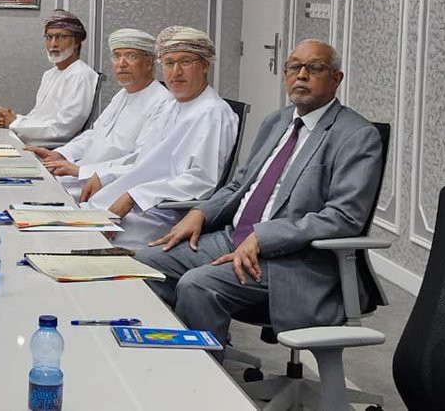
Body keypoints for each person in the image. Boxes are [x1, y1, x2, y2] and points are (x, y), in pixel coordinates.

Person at [140, 39, 384, 348]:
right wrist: (200, 212)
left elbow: (344, 217)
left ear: (336, 78)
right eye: (294, 67)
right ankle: (170, 355)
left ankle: (201, 372)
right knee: (144, 262)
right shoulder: (277, 121)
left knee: (198, 285)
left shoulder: (357, 135)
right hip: (233, 237)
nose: (302, 75)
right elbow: (239, 185)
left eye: (315, 68)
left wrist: (263, 236)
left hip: (292, 260)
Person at [77, 27, 238, 249]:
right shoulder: (172, 106)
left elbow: (201, 181)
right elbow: (143, 160)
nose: (176, 72)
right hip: (133, 203)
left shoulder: (212, 113)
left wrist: (135, 196)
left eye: (185, 62)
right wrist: (104, 176)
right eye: (169, 63)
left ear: (205, 66)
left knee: (76, 240)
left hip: (162, 213)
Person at [29, 28, 173, 197]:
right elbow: (93, 135)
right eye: (117, 56)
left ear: (148, 63)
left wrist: (82, 170)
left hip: (108, 186)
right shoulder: (122, 94)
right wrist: (61, 154)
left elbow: (141, 161)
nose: (122, 63)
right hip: (81, 175)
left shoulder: (162, 103)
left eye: (131, 56)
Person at [0, 9, 98, 146]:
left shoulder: (81, 75)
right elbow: (38, 117)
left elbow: (63, 130)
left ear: (76, 42)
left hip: (50, 150)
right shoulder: (50, 74)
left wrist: (15, 123)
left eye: (61, 37)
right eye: (49, 37)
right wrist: (11, 118)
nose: (53, 44)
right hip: (31, 143)